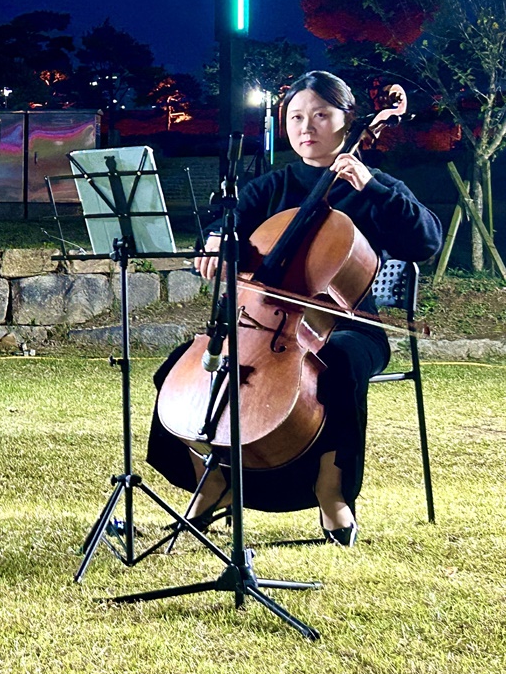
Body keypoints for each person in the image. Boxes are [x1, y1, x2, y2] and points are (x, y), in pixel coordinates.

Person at [147, 71, 442, 547]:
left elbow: (426, 239)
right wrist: (218, 240)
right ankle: (216, 481)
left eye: (322, 115)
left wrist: (372, 187)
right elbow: (231, 227)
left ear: (348, 122)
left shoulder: (376, 186)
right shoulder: (271, 187)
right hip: (260, 325)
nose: (307, 127)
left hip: (350, 330)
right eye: (298, 117)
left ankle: (332, 493)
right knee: (180, 368)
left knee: (340, 362)